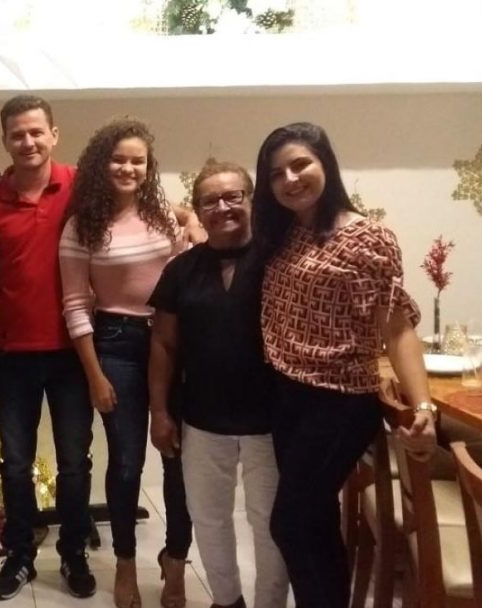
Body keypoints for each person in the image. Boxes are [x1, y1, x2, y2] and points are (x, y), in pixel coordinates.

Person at [254, 122, 437, 608]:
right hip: (287, 396)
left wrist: (423, 405)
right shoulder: (286, 232)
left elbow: (396, 328)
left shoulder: (367, 238)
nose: (290, 179)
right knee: (314, 523)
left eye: (300, 165)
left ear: (326, 164)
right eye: (276, 174)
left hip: (338, 401)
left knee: (290, 523)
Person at [0, 95, 96, 601]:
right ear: (5, 141)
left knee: (74, 463)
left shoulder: (82, 186)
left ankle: (73, 552)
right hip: (14, 351)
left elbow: (135, 210)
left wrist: (187, 221)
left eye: (36, 132)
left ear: (54, 134)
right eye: (17, 134)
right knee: (15, 465)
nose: (28, 141)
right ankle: (20, 555)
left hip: (72, 350)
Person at [59, 118, 191, 608]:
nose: (128, 168)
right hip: (116, 345)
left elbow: (186, 271)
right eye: (119, 159)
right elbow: (75, 305)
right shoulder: (82, 226)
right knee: (128, 461)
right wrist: (94, 374)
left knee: (179, 459)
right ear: (101, 164)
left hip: (174, 341)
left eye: (138, 161)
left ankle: (175, 558)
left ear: (149, 167)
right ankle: (126, 562)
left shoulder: (163, 216)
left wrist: (194, 224)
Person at [148, 161, 289, 608]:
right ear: (197, 210)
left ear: (252, 200)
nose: (223, 207)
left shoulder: (280, 261)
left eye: (233, 196)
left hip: (272, 421)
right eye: (210, 200)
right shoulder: (181, 270)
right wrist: (160, 412)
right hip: (202, 419)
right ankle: (226, 601)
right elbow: (163, 345)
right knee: (209, 519)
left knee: (269, 523)